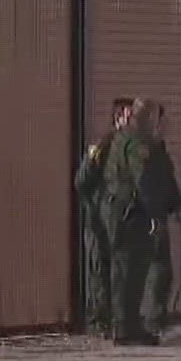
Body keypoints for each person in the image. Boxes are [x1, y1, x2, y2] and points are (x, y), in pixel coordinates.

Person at [103, 99, 181, 345]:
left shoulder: (122, 137)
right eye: (156, 117)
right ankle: (128, 329)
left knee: (123, 272)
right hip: (132, 215)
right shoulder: (139, 142)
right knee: (132, 273)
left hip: (119, 211)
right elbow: (144, 180)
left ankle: (124, 327)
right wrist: (156, 216)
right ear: (147, 117)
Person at [74, 98, 133, 335]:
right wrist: (97, 207)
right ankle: (99, 321)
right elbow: (82, 182)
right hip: (100, 219)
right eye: (129, 118)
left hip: (125, 220)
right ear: (118, 119)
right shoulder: (104, 146)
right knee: (100, 269)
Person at [142, 99, 181, 329]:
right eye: (161, 119)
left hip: (159, 216)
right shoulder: (142, 148)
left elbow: (167, 181)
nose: (166, 124)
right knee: (155, 271)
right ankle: (151, 320)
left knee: (162, 272)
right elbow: (142, 183)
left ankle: (156, 318)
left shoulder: (159, 148)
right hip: (147, 218)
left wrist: (176, 206)